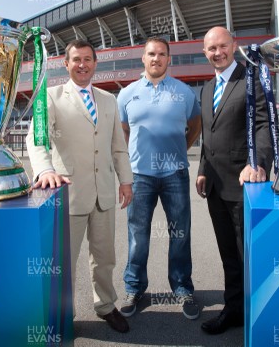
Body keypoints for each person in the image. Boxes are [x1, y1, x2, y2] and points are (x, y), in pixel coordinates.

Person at [26, 40, 133, 334]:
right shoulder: (50, 97)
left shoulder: (109, 99)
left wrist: (126, 180)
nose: (82, 65)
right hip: (68, 194)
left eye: (87, 59)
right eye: (76, 60)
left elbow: (118, 147)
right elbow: (37, 138)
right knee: (63, 263)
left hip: (105, 194)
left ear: (95, 63)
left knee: (105, 258)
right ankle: (63, 315)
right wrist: (45, 169)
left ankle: (106, 306)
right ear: (66, 63)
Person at [116, 36, 202, 320]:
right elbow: (124, 132)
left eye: (162, 54)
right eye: (151, 54)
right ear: (143, 58)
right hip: (140, 175)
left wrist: (181, 148)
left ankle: (181, 288)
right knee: (138, 236)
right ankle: (134, 288)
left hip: (175, 172)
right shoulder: (127, 94)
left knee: (180, 234)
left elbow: (195, 125)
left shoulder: (184, 93)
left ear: (169, 59)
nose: (156, 59)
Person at [196, 26, 273, 335]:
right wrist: (202, 168)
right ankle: (234, 310)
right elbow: (207, 135)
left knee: (248, 254)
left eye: (222, 46)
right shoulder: (204, 89)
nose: (218, 52)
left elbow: (264, 124)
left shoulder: (251, 79)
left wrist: (257, 163)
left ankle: (259, 312)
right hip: (215, 185)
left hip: (244, 185)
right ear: (205, 53)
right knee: (229, 254)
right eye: (211, 49)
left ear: (234, 45)